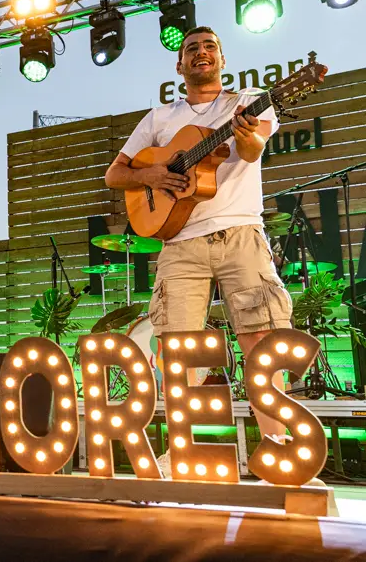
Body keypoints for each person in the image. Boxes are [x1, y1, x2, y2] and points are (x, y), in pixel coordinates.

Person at [104, 27, 293, 477]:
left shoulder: (248, 102)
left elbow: (252, 151)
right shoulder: (159, 117)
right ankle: (182, 452)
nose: (201, 53)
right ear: (179, 65)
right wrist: (150, 177)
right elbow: (116, 174)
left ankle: (281, 450)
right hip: (179, 241)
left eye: (210, 47)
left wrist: (246, 134)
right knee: (177, 350)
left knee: (261, 341)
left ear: (222, 60)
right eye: (192, 48)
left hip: (240, 233)